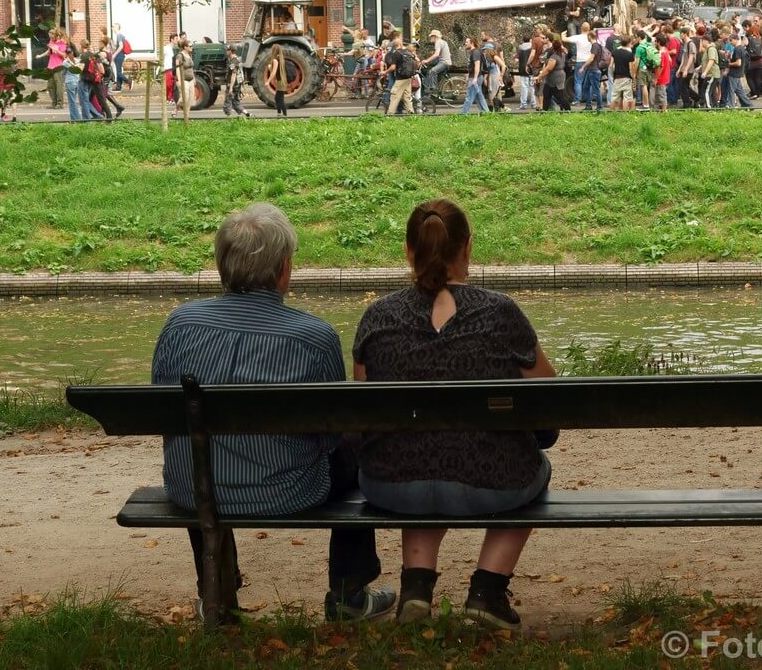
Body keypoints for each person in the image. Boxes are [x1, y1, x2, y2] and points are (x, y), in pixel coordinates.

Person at [152, 203, 395, 623]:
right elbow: (331, 433)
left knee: (198, 449)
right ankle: (348, 594)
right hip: (289, 490)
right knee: (356, 447)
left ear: (221, 266)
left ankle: (216, 594)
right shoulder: (314, 337)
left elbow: (165, 410)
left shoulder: (179, 324)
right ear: (283, 269)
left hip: (195, 489)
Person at [353, 199, 557, 629]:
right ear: (468, 248)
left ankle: (416, 588)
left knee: (419, 445)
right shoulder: (501, 313)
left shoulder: (378, 317)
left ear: (409, 251)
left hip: (392, 484)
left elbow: (364, 414)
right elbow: (548, 395)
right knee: (533, 466)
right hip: (493, 484)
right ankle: (487, 591)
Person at [534, 37, 571, 111]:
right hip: (557, 77)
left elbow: (548, 69)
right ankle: (545, 110)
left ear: (553, 47)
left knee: (560, 95)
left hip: (554, 78)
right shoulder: (562, 54)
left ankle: (568, 110)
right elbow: (566, 51)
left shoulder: (554, 57)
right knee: (547, 93)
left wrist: (539, 76)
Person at [35, 28, 67, 109]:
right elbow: (49, 52)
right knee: (50, 86)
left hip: (58, 66)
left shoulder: (62, 43)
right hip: (50, 66)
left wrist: (57, 50)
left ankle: (60, 104)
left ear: (56, 36)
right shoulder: (51, 42)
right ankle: (54, 103)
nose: (51, 38)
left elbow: (64, 55)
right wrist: (40, 56)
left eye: (52, 37)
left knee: (58, 85)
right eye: (50, 37)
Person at [385, 35, 416, 115]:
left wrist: (384, 72)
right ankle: (411, 111)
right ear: (401, 44)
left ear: (394, 46)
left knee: (394, 96)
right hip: (409, 77)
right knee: (406, 96)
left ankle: (390, 114)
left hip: (400, 78)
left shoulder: (396, 53)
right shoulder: (408, 52)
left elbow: (393, 67)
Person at [460, 36, 489, 114]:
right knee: (479, 96)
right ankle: (486, 112)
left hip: (476, 77)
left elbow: (477, 65)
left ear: (472, 43)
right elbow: (472, 66)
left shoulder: (475, 52)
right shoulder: (473, 52)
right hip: (475, 76)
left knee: (469, 97)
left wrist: (475, 78)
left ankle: (462, 114)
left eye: (466, 42)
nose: (465, 44)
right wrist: (468, 75)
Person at [724, 34, 753, 109]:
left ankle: (731, 106)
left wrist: (728, 64)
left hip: (734, 73)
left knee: (731, 90)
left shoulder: (737, 49)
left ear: (736, 39)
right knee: (739, 91)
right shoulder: (741, 48)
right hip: (739, 72)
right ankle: (748, 104)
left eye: (731, 40)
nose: (730, 42)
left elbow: (738, 63)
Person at [565, 23, 592, 103]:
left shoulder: (578, 37)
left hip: (580, 61)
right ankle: (588, 100)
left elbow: (564, 39)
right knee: (589, 81)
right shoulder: (592, 37)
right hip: (590, 61)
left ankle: (577, 100)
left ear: (581, 28)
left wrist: (563, 34)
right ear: (589, 28)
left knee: (578, 81)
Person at [420, 29, 452, 97]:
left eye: (431, 37)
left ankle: (433, 91)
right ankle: (436, 91)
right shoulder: (443, 42)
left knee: (432, 71)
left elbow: (436, 54)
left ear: (434, 36)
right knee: (434, 74)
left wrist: (426, 61)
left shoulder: (438, 42)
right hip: (447, 62)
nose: (430, 38)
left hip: (444, 63)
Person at [580, 30, 604, 111]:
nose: (587, 37)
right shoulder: (597, 45)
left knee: (596, 89)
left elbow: (591, 58)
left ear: (590, 36)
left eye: (587, 36)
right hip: (592, 70)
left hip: (594, 70)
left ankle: (600, 107)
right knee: (586, 87)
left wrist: (583, 66)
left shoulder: (595, 46)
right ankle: (588, 106)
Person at [609, 35, 635, 111]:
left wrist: (613, 74)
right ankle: (625, 114)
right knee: (626, 97)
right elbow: (631, 68)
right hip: (626, 77)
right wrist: (633, 77)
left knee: (614, 97)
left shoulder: (615, 52)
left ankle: (611, 113)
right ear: (628, 43)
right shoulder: (629, 54)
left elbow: (611, 66)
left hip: (617, 77)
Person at [222, 46, 249, 118]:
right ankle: (248, 114)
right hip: (237, 84)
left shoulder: (234, 61)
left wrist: (230, 87)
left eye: (227, 50)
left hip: (233, 84)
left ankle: (229, 119)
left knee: (227, 101)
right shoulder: (236, 59)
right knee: (235, 102)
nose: (226, 51)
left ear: (231, 51)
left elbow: (234, 74)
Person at [264, 44, 289, 117]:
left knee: (279, 99)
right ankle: (280, 114)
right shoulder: (280, 59)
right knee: (279, 98)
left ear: (274, 51)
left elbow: (274, 72)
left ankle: (284, 115)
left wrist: (268, 81)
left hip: (281, 82)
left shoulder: (275, 60)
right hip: (282, 81)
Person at [62, 43, 84, 122]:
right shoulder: (78, 60)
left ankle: (75, 118)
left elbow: (64, 72)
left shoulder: (65, 62)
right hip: (77, 81)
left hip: (70, 82)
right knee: (74, 100)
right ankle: (76, 117)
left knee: (72, 102)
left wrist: (68, 60)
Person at [515, 33, 536, 110]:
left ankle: (523, 105)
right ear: (530, 40)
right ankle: (534, 104)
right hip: (532, 69)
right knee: (533, 87)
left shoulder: (520, 47)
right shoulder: (533, 47)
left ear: (523, 40)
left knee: (524, 87)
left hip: (522, 70)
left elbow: (516, 60)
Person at [175, 39, 196, 117]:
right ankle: (176, 108)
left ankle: (186, 117)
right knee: (185, 97)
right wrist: (180, 80)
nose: (192, 47)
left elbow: (191, 68)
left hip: (190, 80)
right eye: (190, 46)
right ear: (185, 47)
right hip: (183, 80)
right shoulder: (180, 55)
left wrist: (194, 78)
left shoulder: (189, 55)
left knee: (190, 99)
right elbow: (177, 68)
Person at [112, 24, 130, 91]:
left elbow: (121, 46)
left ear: (117, 28)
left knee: (119, 72)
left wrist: (115, 54)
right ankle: (118, 87)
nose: (112, 28)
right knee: (118, 71)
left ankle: (128, 81)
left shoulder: (119, 35)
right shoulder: (120, 35)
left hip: (119, 55)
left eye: (113, 27)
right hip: (120, 55)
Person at [162, 33, 178, 104]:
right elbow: (161, 57)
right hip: (167, 68)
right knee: (168, 84)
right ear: (172, 40)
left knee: (172, 84)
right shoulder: (166, 48)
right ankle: (169, 98)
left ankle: (170, 98)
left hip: (173, 68)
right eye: (176, 39)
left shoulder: (175, 49)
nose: (177, 40)